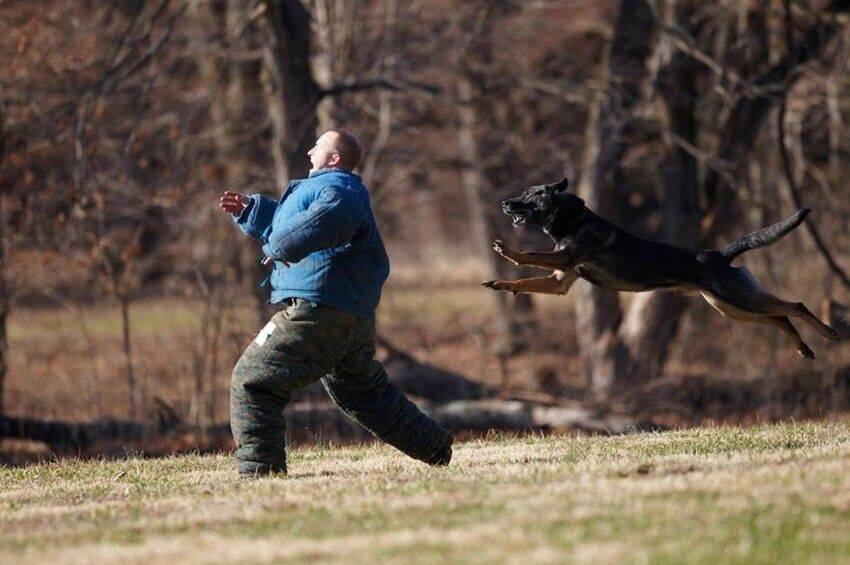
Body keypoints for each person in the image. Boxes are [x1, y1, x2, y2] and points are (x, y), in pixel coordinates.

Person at [219, 129, 453, 476]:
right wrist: (253, 211)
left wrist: (281, 246)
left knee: (252, 380)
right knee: (362, 393)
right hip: (348, 314)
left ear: (334, 159)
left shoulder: (341, 189)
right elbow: (301, 223)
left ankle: (260, 473)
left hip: (319, 310)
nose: (311, 147)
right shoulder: (328, 189)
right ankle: (435, 447)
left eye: (320, 145)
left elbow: (323, 221)